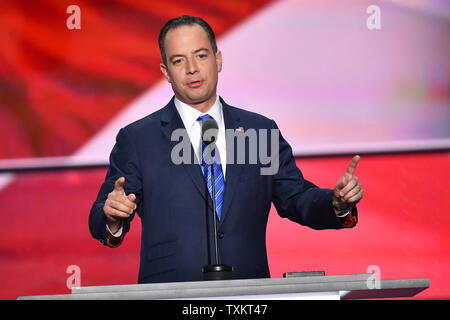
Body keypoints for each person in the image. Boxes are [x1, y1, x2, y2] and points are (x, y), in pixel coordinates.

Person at [89, 15, 364, 284]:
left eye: (201, 55)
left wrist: (337, 204)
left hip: (247, 294)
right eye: (178, 61)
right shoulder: (138, 139)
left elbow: (297, 198)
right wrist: (111, 216)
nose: (192, 69)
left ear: (218, 60)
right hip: (171, 293)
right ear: (165, 72)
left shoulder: (260, 131)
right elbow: (102, 215)